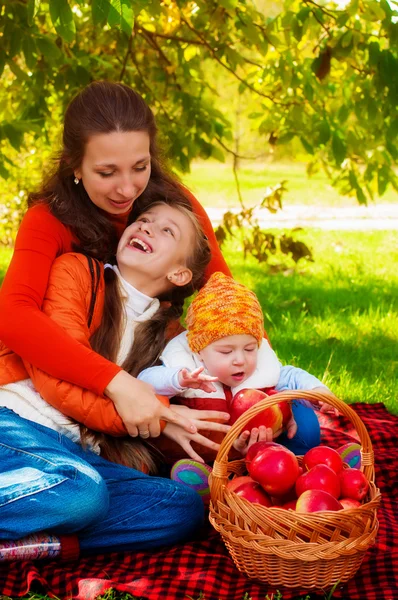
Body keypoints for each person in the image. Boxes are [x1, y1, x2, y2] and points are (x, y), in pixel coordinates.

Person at [0, 80, 233, 440]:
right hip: (33, 396)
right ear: (75, 167)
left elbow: (225, 302)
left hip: (119, 410)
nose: (126, 189)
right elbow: (13, 315)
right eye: (107, 173)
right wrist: (116, 383)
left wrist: (261, 389)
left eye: (140, 166)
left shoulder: (174, 208)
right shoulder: (49, 219)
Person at [0, 197, 231, 555]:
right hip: (15, 421)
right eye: (145, 220)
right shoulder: (75, 272)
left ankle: (42, 542)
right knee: (83, 493)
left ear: (179, 274)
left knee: (180, 506)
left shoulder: (168, 336)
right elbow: (53, 384)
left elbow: (218, 372)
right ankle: (44, 523)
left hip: (70, 454)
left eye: (166, 230)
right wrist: (150, 417)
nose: (145, 227)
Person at [139, 272, 338, 463]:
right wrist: (177, 379)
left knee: (307, 430)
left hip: (246, 450)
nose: (240, 360)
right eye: (226, 352)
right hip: (195, 454)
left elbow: (290, 376)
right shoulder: (186, 366)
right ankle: (199, 481)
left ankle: (310, 462)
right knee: (186, 475)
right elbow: (145, 381)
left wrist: (317, 392)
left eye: (250, 348)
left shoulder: (259, 365)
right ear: (198, 350)